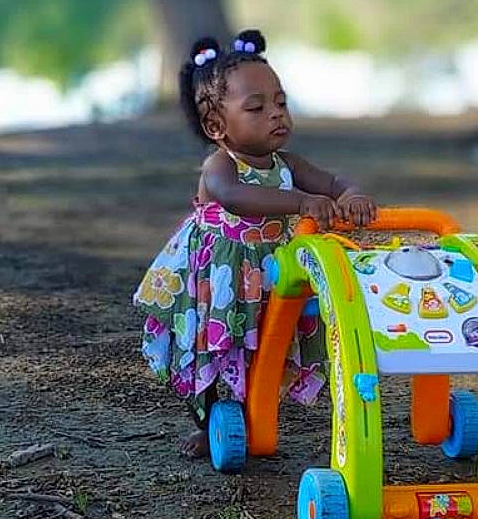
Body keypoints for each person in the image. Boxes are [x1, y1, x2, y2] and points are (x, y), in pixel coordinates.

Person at [133, 29, 377, 456]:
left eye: (281, 102)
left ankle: (253, 410)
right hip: (221, 277)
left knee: (265, 345)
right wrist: (301, 202)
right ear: (216, 125)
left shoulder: (289, 164)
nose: (276, 114)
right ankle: (209, 422)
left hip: (270, 272)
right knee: (216, 346)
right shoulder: (220, 166)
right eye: (256, 107)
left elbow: (335, 182)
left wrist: (350, 195)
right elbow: (237, 198)